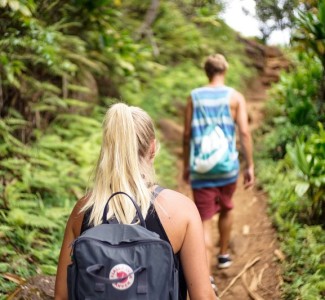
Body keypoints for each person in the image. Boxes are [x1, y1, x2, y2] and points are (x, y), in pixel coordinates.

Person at [55, 103, 217, 300]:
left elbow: (62, 296)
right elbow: (203, 297)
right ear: (153, 148)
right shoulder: (180, 210)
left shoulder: (83, 211)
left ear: (108, 148)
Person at [183, 54, 254, 274]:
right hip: (227, 167)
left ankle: (205, 273)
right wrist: (249, 165)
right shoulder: (235, 97)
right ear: (225, 70)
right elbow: (244, 132)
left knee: (204, 219)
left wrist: (187, 165)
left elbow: (187, 135)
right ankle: (223, 255)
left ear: (207, 71)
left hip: (201, 168)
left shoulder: (194, 97)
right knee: (226, 208)